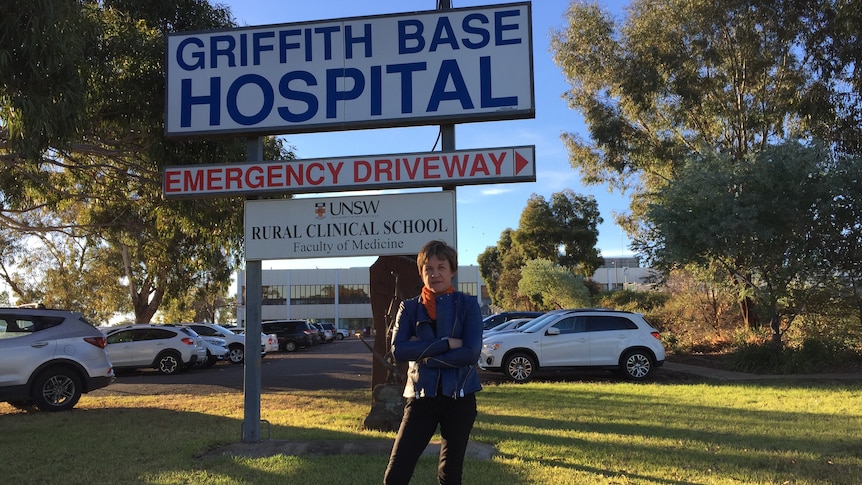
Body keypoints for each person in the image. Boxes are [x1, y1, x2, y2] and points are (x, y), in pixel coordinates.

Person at [384, 240, 483, 485]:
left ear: (452, 271)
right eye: (428, 268)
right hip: (420, 398)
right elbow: (398, 351)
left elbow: (470, 353)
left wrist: (424, 356)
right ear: (421, 272)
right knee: (396, 474)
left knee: (450, 475)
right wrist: (446, 343)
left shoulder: (468, 305)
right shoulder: (408, 308)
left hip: (460, 399)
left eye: (441, 267)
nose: (435, 274)